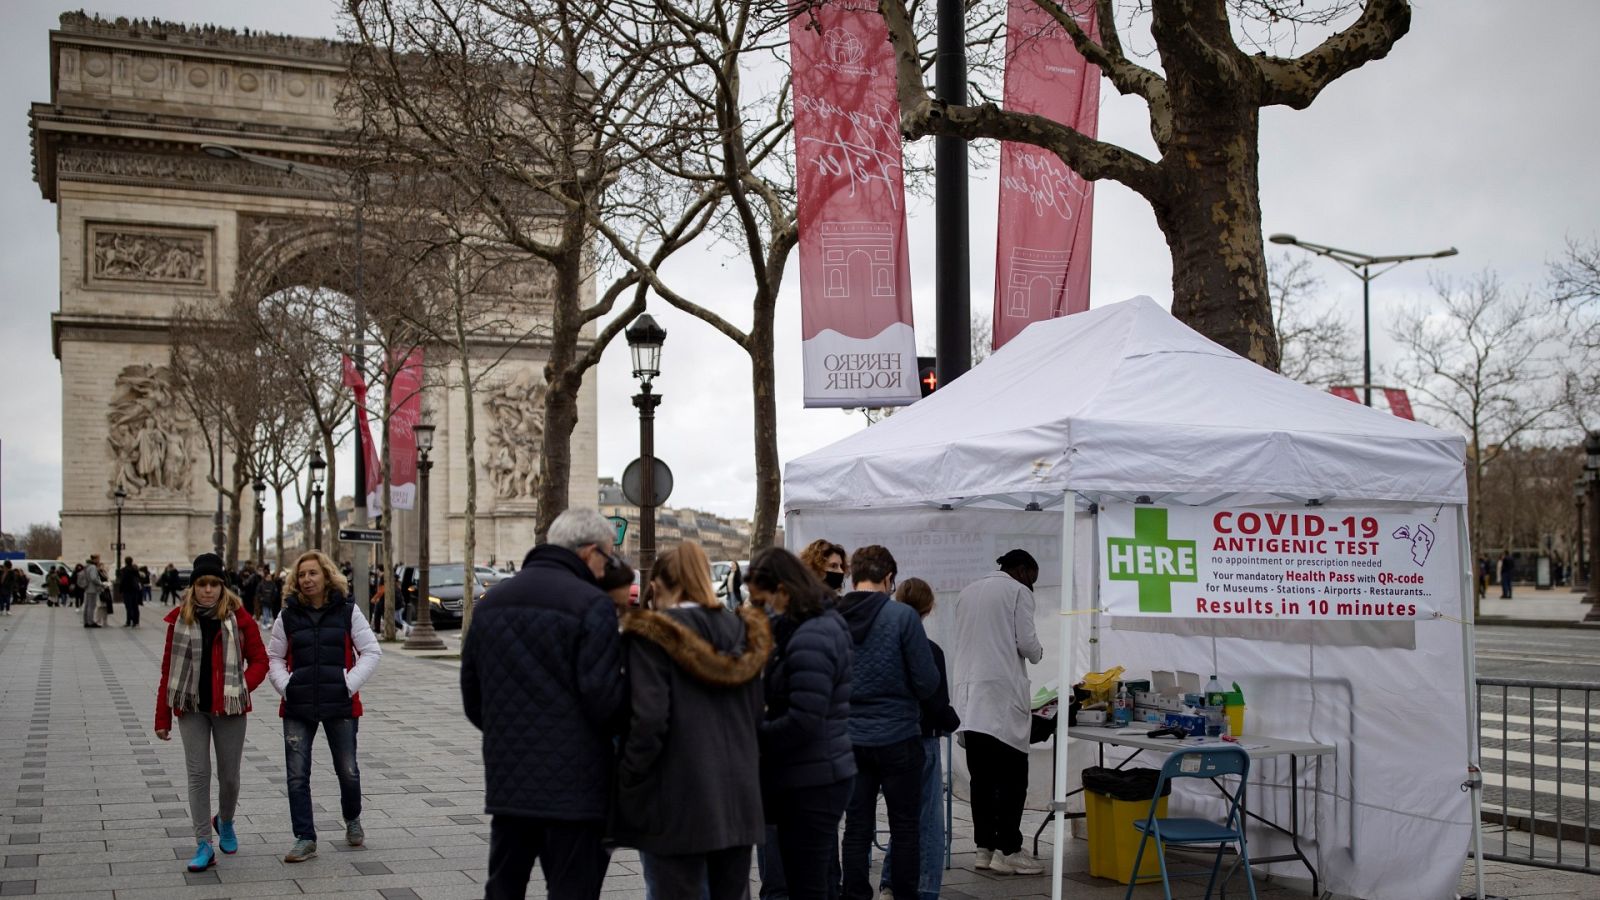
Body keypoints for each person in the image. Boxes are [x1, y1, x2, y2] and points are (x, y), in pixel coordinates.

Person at [459, 509, 627, 900]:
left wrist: (510, 734)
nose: (606, 569)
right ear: (589, 552)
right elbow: (604, 701)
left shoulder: (491, 602)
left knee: (504, 888)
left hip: (509, 781)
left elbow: (472, 698)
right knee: (573, 890)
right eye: (608, 558)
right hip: (577, 788)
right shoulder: (592, 604)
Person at [612, 542, 770, 900]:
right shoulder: (742, 631)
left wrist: (629, 778)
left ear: (660, 585)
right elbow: (755, 713)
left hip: (675, 798)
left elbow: (649, 719)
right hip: (738, 799)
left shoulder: (653, 634)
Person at [746, 547, 855, 900]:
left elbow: (804, 718)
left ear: (782, 589)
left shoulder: (812, 633)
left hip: (814, 778)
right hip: (808, 772)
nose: (761, 606)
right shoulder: (800, 626)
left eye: (763, 598)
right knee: (806, 880)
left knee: (808, 885)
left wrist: (753, 735)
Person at [154, 552, 269, 873]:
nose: (207, 590)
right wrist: (162, 717)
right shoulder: (179, 620)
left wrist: (241, 686)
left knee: (229, 777)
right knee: (198, 775)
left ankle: (226, 820)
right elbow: (168, 671)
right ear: (193, 587)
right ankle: (203, 843)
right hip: (192, 708)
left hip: (230, 708)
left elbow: (261, 660)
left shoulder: (240, 618)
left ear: (222, 586)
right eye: (202, 584)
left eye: (213, 584)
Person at [836, 545, 939, 900]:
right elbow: (927, 682)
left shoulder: (833, 617)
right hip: (899, 736)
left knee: (856, 826)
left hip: (850, 739)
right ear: (889, 578)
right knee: (905, 826)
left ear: (853, 576)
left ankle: (854, 894)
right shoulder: (903, 618)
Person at [266, 550, 382, 863]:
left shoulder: (347, 611)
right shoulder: (288, 615)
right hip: (298, 704)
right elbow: (274, 657)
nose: (307, 579)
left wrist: (348, 684)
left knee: (348, 771)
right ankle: (305, 838)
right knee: (297, 776)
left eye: (313, 573)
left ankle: (352, 817)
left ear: (327, 575)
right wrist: (287, 686)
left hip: (340, 703)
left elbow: (371, 651)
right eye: (301, 575)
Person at [949, 550, 1046, 875]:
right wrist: (1040, 652)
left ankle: (984, 848)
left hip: (969, 700)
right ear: (1022, 570)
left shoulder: (967, 592)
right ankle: (1009, 850)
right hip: (1000, 699)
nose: (1032, 585)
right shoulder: (1017, 592)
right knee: (1012, 780)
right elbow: (1028, 645)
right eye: (1032, 578)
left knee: (982, 779)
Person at [879, 578, 960, 900]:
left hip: (888, 738)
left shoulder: (885, 646)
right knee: (927, 820)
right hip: (923, 738)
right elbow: (935, 700)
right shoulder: (929, 649)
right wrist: (953, 721)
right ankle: (924, 887)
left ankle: (890, 881)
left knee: (902, 817)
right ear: (929, 608)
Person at [81, 555, 107, 627]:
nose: (99, 561)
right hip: (92, 589)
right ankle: (90, 622)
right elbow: (94, 578)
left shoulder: (87, 566)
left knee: (87, 606)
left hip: (87, 588)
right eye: (98, 559)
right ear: (94, 559)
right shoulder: (92, 567)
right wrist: (101, 583)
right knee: (91, 606)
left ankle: (86, 621)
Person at [119, 556, 144, 626]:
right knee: (135, 606)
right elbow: (139, 579)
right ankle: (136, 621)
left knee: (128, 606)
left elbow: (122, 580)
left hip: (127, 590)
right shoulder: (135, 570)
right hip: (134, 589)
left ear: (125, 562)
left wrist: (120, 589)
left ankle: (128, 621)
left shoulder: (124, 570)